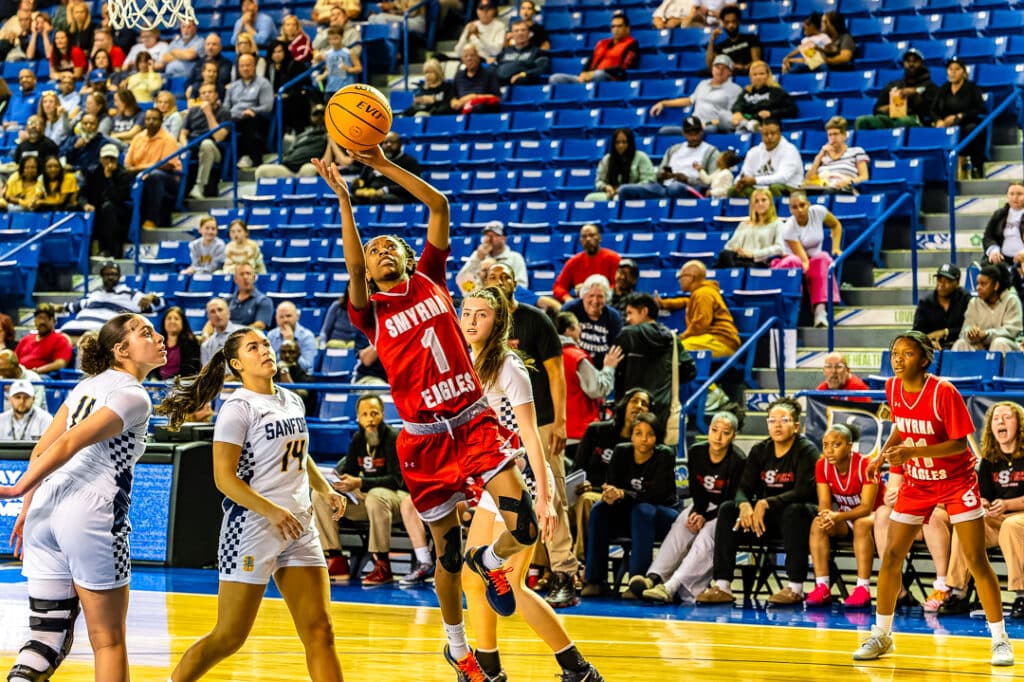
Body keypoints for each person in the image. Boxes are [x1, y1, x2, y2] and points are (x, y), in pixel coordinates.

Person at [312, 146, 554, 679]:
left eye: (388, 246)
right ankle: (457, 647)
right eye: (372, 251)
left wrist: (381, 165)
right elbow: (351, 264)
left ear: (406, 255)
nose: (379, 251)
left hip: (472, 421)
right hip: (423, 439)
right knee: (446, 554)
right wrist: (346, 203)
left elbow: (439, 205)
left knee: (525, 525)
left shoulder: (430, 277)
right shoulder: (370, 312)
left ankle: (491, 561)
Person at [157, 327, 346, 682]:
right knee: (230, 636)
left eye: (266, 344)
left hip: (299, 526)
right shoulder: (237, 408)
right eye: (253, 347)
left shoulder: (292, 399)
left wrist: (323, 488)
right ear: (236, 364)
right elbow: (224, 479)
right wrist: (271, 511)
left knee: (320, 631)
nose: (265, 350)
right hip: (253, 527)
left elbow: (298, 455)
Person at [0, 313, 166, 681]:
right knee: (108, 641)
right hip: (90, 511)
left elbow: (41, 449)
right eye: (146, 333)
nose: (158, 338)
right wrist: (16, 489)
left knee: (45, 637)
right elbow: (69, 442)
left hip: (45, 510)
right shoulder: (134, 395)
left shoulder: (85, 386)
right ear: (121, 350)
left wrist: (26, 508)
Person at [459, 287, 603, 682]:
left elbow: (531, 434)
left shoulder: (509, 365)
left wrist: (545, 495)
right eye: (467, 312)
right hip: (492, 480)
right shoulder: (466, 363)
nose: (472, 321)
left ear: (499, 322)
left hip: (519, 478)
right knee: (472, 578)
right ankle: (489, 669)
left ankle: (578, 669)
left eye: (482, 314)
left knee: (512, 583)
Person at [853, 331, 1013, 666]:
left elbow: (959, 444)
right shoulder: (893, 387)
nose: (898, 359)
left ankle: (1000, 639)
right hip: (918, 483)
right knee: (891, 555)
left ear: (925, 359)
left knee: (975, 558)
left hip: (956, 482)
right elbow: (901, 425)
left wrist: (911, 452)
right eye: (895, 353)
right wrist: (881, 455)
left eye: (907, 354)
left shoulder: (944, 391)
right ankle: (882, 634)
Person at [483, 262, 577, 609]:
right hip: (500, 427)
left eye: (504, 276)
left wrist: (560, 421)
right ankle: (513, 570)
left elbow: (556, 373)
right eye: (492, 276)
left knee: (551, 495)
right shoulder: (484, 324)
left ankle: (564, 573)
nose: (498, 281)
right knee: (504, 500)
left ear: (515, 282)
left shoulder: (536, 319)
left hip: (539, 422)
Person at [695, 397, 819, 605]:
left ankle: (795, 588)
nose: (777, 425)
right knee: (728, 509)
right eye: (772, 421)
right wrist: (744, 504)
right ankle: (722, 586)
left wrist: (765, 503)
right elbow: (743, 488)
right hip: (766, 520)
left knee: (794, 512)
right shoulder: (760, 450)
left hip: (800, 517)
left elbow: (803, 491)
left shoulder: (807, 450)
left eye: (784, 421)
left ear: (796, 426)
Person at [311, 393, 431, 586]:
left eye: (374, 413)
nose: (370, 419)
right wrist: (340, 484)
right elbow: (349, 472)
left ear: (382, 414)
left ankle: (382, 564)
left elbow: (397, 480)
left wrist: (360, 483)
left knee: (376, 496)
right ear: (358, 418)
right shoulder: (358, 439)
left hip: (398, 500)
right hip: (369, 501)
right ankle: (335, 558)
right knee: (320, 495)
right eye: (365, 414)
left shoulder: (394, 437)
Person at [635, 411, 746, 604]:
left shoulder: (738, 460)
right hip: (703, 504)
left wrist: (705, 517)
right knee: (681, 524)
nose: (718, 437)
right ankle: (653, 577)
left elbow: (730, 500)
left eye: (725, 433)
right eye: (714, 430)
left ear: (733, 436)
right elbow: (697, 490)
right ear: (708, 431)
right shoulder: (696, 452)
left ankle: (671, 586)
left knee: (706, 536)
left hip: (726, 512)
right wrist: (698, 512)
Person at [581, 411, 678, 597]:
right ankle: (595, 580)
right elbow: (613, 484)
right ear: (631, 436)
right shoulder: (621, 451)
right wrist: (610, 493)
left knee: (643, 510)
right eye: (638, 433)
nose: (644, 439)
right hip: (629, 512)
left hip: (662, 514)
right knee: (599, 509)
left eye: (650, 434)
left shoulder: (665, 455)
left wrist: (624, 494)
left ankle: (637, 581)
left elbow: (657, 495)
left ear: (657, 437)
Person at [573, 389, 653, 564]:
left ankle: (582, 564)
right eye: (634, 401)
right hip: (583, 492)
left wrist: (594, 488)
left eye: (644, 404)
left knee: (587, 500)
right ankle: (541, 568)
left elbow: (634, 484)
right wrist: (582, 483)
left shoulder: (644, 444)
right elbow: (577, 469)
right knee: (550, 503)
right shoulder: (596, 431)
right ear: (624, 404)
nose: (639, 406)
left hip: (616, 500)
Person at [804, 424, 878, 608]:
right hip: (846, 517)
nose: (829, 450)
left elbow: (866, 507)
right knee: (818, 523)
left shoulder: (866, 464)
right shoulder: (822, 465)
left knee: (861, 524)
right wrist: (827, 516)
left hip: (878, 515)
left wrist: (837, 517)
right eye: (825, 445)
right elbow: (824, 502)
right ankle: (822, 586)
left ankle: (863, 588)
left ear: (849, 446)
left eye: (836, 445)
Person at [771, 190, 844, 328]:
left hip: (813, 258)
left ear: (808, 204)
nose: (799, 210)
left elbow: (836, 225)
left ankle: (820, 312)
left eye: (802, 205)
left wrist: (836, 247)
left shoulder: (819, 211)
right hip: (794, 261)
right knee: (808, 262)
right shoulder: (788, 228)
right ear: (790, 210)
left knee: (823, 258)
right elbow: (803, 260)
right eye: (794, 207)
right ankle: (793, 314)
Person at [555, 311, 618, 462]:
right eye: (578, 326)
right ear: (569, 329)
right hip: (579, 434)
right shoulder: (575, 356)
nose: (580, 330)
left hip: (554, 433)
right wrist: (609, 368)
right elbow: (596, 389)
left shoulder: (545, 356)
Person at [612, 292, 675, 431]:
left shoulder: (627, 334)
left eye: (630, 313)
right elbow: (689, 370)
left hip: (631, 407)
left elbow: (616, 369)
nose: (627, 318)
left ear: (644, 311)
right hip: (662, 408)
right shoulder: (672, 338)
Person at [618, 116, 719, 199]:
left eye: (696, 133)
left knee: (675, 187)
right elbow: (659, 173)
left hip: (691, 189)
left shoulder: (711, 152)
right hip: (664, 187)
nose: (694, 137)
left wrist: (687, 179)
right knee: (624, 190)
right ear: (684, 133)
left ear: (701, 132)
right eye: (689, 133)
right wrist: (663, 175)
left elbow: (713, 181)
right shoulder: (673, 149)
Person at [658, 260, 740, 358]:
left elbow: (700, 325)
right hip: (710, 339)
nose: (679, 280)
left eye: (681, 277)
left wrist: (679, 338)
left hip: (720, 341)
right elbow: (687, 301)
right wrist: (663, 303)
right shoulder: (700, 293)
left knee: (675, 348)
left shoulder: (703, 294)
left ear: (691, 277)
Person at [62, 261, 165, 335]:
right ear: (102, 277)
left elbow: (160, 304)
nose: (110, 277)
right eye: (107, 274)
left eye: (113, 274)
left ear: (119, 276)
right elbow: (72, 307)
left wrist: (152, 297)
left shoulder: (130, 294)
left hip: (99, 332)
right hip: (72, 328)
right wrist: (56, 307)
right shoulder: (95, 294)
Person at [649, 54, 743, 134]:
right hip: (694, 124)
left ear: (730, 72)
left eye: (724, 68)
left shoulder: (735, 89)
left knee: (709, 129)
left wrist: (708, 124)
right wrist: (663, 103)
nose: (720, 71)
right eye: (717, 67)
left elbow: (732, 116)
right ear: (712, 69)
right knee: (664, 131)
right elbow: (689, 100)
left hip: (714, 126)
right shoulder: (703, 84)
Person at [122, 107, 181, 229]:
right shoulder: (138, 138)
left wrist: (141, 169)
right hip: (140, 175)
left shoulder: (168, 139)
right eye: (148, 119)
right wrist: (138, 170)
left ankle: (151, 219)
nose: (151, 122)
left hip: (166, 178)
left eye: (155, 119)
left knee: (154, 175)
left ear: (161, 121)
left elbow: (167, 165)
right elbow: (127, 164)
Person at [854, 48, 938, 130]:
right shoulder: (894, 85)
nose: (911, 64)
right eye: (908, 61)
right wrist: (889, 108)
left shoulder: (930, 87)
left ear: (921, 63)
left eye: (915, 61)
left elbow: (932, 113)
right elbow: (877, 109)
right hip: (891, 118)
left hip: (915, 120)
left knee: (904, 121)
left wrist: (916, 96)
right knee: (862, 121)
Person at [931, 56, 987, 178]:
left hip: (966, 124)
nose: (953, 72)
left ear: (963, 71)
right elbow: (933, 109)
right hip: (946, 127)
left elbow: (979, 109)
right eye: (950, 69)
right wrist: (938, 120)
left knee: (973, 130)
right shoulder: (944, 88)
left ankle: (975, 167)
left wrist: (960, 116)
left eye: (957, 69)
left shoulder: (972, 87)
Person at [548, 12, 638, 84]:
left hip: (610, 79)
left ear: (627, 28)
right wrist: (584, 73)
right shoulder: (602, 43)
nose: (616, 29)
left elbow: (623, 68)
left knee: (598, 75)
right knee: (555, 78)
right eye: (613, 26)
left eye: (619, 26)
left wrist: (596, 73)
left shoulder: (632, 44)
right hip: (590, 77)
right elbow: (591, 60)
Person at [951, 264, 1022, 353]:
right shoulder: (974, 303)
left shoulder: (1011, 300)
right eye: (977, 284)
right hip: (980, 346)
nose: (978, 288)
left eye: (983, 284)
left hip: (1008, 346)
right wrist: (970, 333)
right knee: (961, 343)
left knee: (998, 343)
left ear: (996, 285)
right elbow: (964, 332)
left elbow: (1011, 331)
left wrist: (987, 334)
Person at [82, 143, 132, 258]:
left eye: (112, 158)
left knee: (107, 208)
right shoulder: (93, 172)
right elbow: (82, 194)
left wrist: (109, 178)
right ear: (100, 159)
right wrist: (85, 204)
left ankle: (110, 251)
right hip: (96, 208)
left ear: (117, 159)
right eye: (106, 158)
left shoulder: (123, 174)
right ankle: (83, 254)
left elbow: (118, 198)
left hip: (118, 211)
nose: (109, 161)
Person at [225, 52, 273, 169]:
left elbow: (267, 106)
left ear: (254, 66)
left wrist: (252, 110)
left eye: (248, 65)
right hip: (234, 118)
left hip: (253, 118)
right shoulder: (233, 86)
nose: (245, 68)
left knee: (249, 120)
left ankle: (250, 157)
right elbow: (225, 106)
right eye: (242, 66)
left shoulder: (264, 83)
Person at [730, 119, 804, 197]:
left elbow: (783, 178)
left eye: (773, 133)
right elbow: (744, 174)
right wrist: (739, 182)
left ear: (779, 134)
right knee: (734, 190)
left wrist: (755, 180)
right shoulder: (753, 152)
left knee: (775, 187)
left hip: (789, 188)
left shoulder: (790, 150)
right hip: (761, 188)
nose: (769, 137)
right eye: (765, 134)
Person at [563, 274, 622, 369]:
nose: (595, 301)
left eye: (600, 296)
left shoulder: (614, 317)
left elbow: (614, 351)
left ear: (606, 298)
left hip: (602, 369)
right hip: (573, 366)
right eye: (591, 295)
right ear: (583, 296)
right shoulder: (570, 309)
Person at [716, 189, 786, 268]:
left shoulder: (778, 224)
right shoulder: (744, 224)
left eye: (763, 200)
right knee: (724, 254)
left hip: (759, 262)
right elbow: (729, 246)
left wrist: (753, 254)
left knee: (735, 264)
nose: (760, 203)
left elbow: (780, 248)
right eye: (756, 201)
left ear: (770, 202)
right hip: (740, 259)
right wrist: (736, 249)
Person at [553, 223, 621, 303]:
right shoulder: (574, 261)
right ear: (580, 241)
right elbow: (559, 286)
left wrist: (593, 290)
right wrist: (567, 299)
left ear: (600, 238)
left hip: (606, 303)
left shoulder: (613, 258)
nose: (588, 239)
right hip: (581, 305)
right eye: (584, 236)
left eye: (592, 235)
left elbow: (618, 286)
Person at [584, 128, 656, 203]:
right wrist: (606, 187)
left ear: (630, 143)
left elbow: (649, 181)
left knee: (617, 198)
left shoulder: (641, 157)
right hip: (610, 194)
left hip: (634, 195)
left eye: (624, 142)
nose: (620, 145)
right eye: (617, 142)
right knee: (589, 198)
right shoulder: (607, 159)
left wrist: (626, 189)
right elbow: (599, 181)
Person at [351, 132, 423, 204]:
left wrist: (386, 190)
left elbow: (413, 185)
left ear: (400, 144)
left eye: (392, 142)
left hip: (396, 195)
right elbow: (362, 180)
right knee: (348, 199)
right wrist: (357, 186)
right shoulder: (374, 161)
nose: (389, 145)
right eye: (385, 142)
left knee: (381, 198)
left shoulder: (409, 162)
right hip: (371, 194)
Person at [456, 220, 528, 291]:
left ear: (504, 238)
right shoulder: (478, 255)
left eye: (495, 235)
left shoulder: (515, 258)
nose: (489, 239)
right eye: (487, 235)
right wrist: (478, 258)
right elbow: (462, 281)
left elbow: (522, 286)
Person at [913, 263, 971, 351]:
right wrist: (928, 342)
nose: (941, 284)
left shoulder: (966, 300)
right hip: (932, 350)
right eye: (939, 280)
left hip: (960, 348)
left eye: (947, 281)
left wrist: (945, 332)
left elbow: (969, 329)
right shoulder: (926, 303)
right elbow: (917, 332)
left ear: (957, 283)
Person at [982, 181, 1024, 299]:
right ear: (1007, 195)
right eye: (1011, 194)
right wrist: (993, 250)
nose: (1015, 197)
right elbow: (988, 236)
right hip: (1002, 259)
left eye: (1019, 194)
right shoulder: (999, 214)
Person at [804, 116, 869, 192]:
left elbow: (864, 177)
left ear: (844, 135)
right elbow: (808, 179)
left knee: (831, 191)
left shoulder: (856, 152)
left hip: (844, 189)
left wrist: (849, 181)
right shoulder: (823, 155)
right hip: (821, 188)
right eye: (830, 135)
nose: (832, 137)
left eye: (835, 134)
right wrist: (819, 156)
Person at [730, 61, 797, 133]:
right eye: (755, 74)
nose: (758, 77)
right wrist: (737, 112)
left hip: (767, 125)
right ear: (750, 77)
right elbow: (737, 105)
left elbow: (791, 109)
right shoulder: (747, 91)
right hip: (748, 120)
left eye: (762, 74)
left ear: (768, 75)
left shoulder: (776, 91)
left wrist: (771, 113)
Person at [15, 303, 73, 375]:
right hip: (20, 375)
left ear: (53, 321)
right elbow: (14, 361)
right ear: (35, 321)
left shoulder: (60, 339)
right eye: (39, 318)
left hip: (43, 376)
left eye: (46, 318)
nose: (42, 322)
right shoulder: (25, 340)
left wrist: (37, 371)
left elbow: (61, 363)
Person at [704, 5, 761, 75]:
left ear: (738, 21)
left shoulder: (751, 38)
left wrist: (743, 67)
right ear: (723, 24)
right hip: (728, 74)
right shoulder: (720, 46)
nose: (730, 25)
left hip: (748, 73)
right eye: (727, 22)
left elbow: (757, 62)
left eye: (733, 21)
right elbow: (710, 65)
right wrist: (712, 39)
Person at [492, 19, 549, 86]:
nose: (520, 33)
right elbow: (492, 67)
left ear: (529, 33)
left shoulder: (537, 51)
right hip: (500, 84)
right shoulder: (505, 52)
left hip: (523, 86)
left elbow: (541, 68)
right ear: (512, 34)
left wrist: (523, 74)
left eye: (523, 30)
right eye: (516, 31)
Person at [449, 44, 501, 115]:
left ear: (478, 57)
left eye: (472, 55)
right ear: (462, 60)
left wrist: (474, 98)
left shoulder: (489, 74)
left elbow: (496, 98)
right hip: (462, 113)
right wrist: (454, 102)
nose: (469, 59)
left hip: (482, 113)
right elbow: (453, 96)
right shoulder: (459, 75)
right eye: (466, 56)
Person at [266, 301, 317, 372]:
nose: (285, 320)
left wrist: (290, 343)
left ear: (297, 317)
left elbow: (307, 367)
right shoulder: (271, 335)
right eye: (281, 317)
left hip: (298, 377)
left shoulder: (307, 336)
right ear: (276, 318)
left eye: (288, 316)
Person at [154, 306, 201, 381]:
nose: (172, 321)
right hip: (157, 384)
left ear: (183, 323)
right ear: (164, 322)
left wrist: (172, 381)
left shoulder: (191, 343)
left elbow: (191, 371)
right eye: (169, 318)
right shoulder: (156, 343)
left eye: (176, 319)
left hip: (181, 383)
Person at [317, 27, 359, 101]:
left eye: (336, 38)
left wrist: (349, 69)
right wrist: (322, 76)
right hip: (330, 89)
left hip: (345, 89)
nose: (333, 41)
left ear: (342, 37)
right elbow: (329, 70)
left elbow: (359, 68)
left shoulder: (349, 52)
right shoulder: (328, 54)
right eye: (330, 39)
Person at [227, 263, 273, 331]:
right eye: (241, 274)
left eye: (248, 274)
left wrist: (236, 334)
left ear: (254, 278)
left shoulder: (264, 301)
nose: (245, 277)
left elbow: (260, 325)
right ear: (235, 279)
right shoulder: (227, 301)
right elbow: (213, 322)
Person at [199, 297, 241, 365]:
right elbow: (206, 370)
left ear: (228, 313)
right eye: (212, 312)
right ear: (209, 317)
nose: (217, 314)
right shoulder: (206, 346)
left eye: (220, 310)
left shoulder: (244, 334)